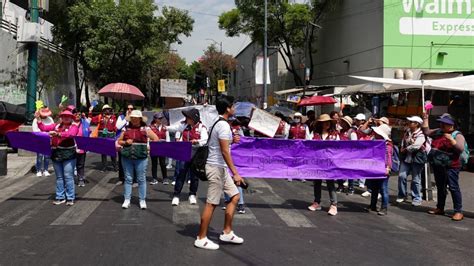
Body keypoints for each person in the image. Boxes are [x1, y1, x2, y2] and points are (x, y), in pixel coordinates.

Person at [195, 95, 245, 250]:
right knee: (211, 203)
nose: (235, 108)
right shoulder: (223, 125)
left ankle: (227, 232)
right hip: (216, 167)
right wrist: (235, 173)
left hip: (220, 167)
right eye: (233, 106)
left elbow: (219, 144)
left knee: (235, 196)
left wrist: (232, 141)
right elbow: (224, 151)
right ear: (227, 109)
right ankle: (201, 237)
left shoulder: (219, 122)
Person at [423, 113, 465, 221]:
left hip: (452, 166)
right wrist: (425, 119)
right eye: (441, 123)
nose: (442, 125)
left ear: (451, 125)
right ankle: (440, 208)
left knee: (453, 187)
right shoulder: (438, 132)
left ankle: (458, 211)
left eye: (444, 123)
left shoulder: (457, 135)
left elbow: (460, 148)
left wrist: (451, 140)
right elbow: (427, 132)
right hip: (438, 165)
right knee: (440, 187)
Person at [117, 110, 158, 210]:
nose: (134, 119)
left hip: (141, 157)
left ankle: (142, 200)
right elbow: (119, 141)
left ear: (140, 119)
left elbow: (156, 139)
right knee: (128, 178)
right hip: (127, 157)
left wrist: (149, 147)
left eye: (136, 118)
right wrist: (126, 142)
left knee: (141, 179)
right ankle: (127, 199)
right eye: (132, 118)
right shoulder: (126, 128)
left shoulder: (146, 128)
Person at [168, 108, 208, 206]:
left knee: (194, 176)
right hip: (184, 153)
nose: (186, 119)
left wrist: (196, 141)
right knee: (181, 174)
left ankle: (192, 194)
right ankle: (176, 195)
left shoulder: (202, 127)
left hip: (196, 155)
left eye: (188, 117)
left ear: (194, 118)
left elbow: (205, 140)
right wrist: (165, 128)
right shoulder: (184, 125)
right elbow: (175, 128)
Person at [39, 110, 79, 206]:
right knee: (59, 177)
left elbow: (71, 134)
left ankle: (70, 197)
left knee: (68, 176)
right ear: (61, 117)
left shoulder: (73, 127)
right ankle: (60, 197)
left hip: (69, 153)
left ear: (71, 118)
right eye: (64, 116)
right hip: (57, 153)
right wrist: (38, 119)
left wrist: (58, 134)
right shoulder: (56, 126)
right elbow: (44, 128)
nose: (66, 117)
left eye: (68, 116)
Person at [308, 114, 339, 216]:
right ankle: (317, 202)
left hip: (330, 163)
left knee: (330, 183)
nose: (327, 124)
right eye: (324, 122)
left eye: (328, 122)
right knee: (317, 182)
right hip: (318, 163)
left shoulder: (335, 135)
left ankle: (333, 205)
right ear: (321, 124)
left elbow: (339, 149)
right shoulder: (315, 135)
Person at [397, 116, 426, 206]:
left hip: (416, 159)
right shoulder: (407, 132)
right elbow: (403, 141)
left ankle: (416, 198)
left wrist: (405, 149)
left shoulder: (421, 134)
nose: (409, 123)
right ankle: (402, 195)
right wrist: (402, 147)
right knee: (402, 176)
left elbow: (416, 146)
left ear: (416, 124)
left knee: (416, 179)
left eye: (411, 122)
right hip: (406, 159)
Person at [365, 123, 393, 216]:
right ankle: (373, 205)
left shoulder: (387, 144)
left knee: (383, 188)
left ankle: (384, 208)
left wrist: (388, 168)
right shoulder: (375, 142)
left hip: (383, 168)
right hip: (375, 167)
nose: (375, 133)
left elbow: (388, 157)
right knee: (374, 188)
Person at [222, 117, 246, 214]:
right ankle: (228, 200)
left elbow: (243, 141)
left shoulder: (238, 130)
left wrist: (237, 136)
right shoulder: (224, 129)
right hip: (225, 157)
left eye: (232, 121)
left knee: (237, 181)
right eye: (229, 121)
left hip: (236, 159)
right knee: (225, 179)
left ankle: (240, 204)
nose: (230, 122)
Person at [90, 104, 118, 172]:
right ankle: (104, 167)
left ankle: (115, 167)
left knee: (112, 151)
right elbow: (92, 119)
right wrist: (90, 111)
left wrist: (116, 130)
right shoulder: (100, 116)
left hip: (110, 135)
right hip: (102, 135)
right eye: (105, 109)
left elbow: (115, 127)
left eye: (108, 109)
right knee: (103, 152)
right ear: (103, 110)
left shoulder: (113, 117)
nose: (107, 110)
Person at [69, 105, 91, 187]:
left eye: (79, 114)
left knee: (81, 164)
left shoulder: (84, 122)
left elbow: (89, 132)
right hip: (71, 147)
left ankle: (81, 179)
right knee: (70, 164)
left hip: (82, 147)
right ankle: (70, 180)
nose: (77, 115)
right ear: (72, 115)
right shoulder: (69, 123)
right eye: (75, 114)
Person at [288, 112, 311, 182]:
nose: (296, 119)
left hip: (302, 146)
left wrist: (307, 145)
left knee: (301, 161)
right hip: (292, 146)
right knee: (292, 160)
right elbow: (286, 136)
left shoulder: (305, 126)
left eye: (298, 117)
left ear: (300, 119)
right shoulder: (290, 126)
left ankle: (301, 175)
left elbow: (308, 136)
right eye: (295, 117)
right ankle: (290, 175)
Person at [149, 112, 170, 185]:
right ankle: (154, 178)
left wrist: (168, 146)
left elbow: (167, 137)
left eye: (161, 118)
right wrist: (148, 147)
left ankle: (165, 178)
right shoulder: (150, 127)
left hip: (162, 146)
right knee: (154, 163)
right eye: (159, 118)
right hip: (154, 146)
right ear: (155, 119)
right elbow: (148, 138)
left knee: (163, 163)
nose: (161, 119)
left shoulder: (165, 127)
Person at [32, 107, 54, 177]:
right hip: (40, 140)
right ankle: (39, 170)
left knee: (47, 156)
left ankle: (46, 170)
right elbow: (35, 131)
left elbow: (53, 127)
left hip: (48, 139)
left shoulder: (50, 119)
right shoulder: (36, 120)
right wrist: (47, 133)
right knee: (40, 156)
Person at [337, 116, 356, 195]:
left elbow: (355, 144)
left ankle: (351, 187)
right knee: (339, 170)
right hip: (340, 154)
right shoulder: (340, 131)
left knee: (350, 171)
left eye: (343, 122)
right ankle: (340, 185)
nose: (342, 123)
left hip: (349, 154)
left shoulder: (352, 132)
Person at [116, 104, 134, 183]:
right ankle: (121, 178)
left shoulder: (136, 118)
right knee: (121, 160)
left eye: (131, 108)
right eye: (128, 108)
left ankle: (134, 179)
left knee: (133, 160)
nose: (129, 110)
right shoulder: (121, 117)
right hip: (122, 141)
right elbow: (118, 126)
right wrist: (126, 118)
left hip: (132, 142)